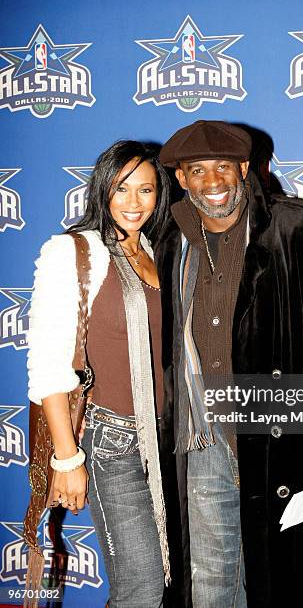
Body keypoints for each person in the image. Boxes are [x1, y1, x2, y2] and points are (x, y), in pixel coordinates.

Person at [156, 120, 303, 607]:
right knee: (212, 587)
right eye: (197, 170)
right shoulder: (171, 246)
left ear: (246, 170)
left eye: (223, 168)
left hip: (289, 449)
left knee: (292, 589)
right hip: (205, 444)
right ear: (180, 179)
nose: (213, 183)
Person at [27, 140, 171, 608]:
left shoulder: (156, 251)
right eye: (122, 188)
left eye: (146, 190)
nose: (134, 202)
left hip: (166, 439)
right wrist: (67, 461)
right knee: (141, 587)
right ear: (102, 187)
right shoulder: (73, 252)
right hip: (112, 441)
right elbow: (48, 362)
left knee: (164, 582)